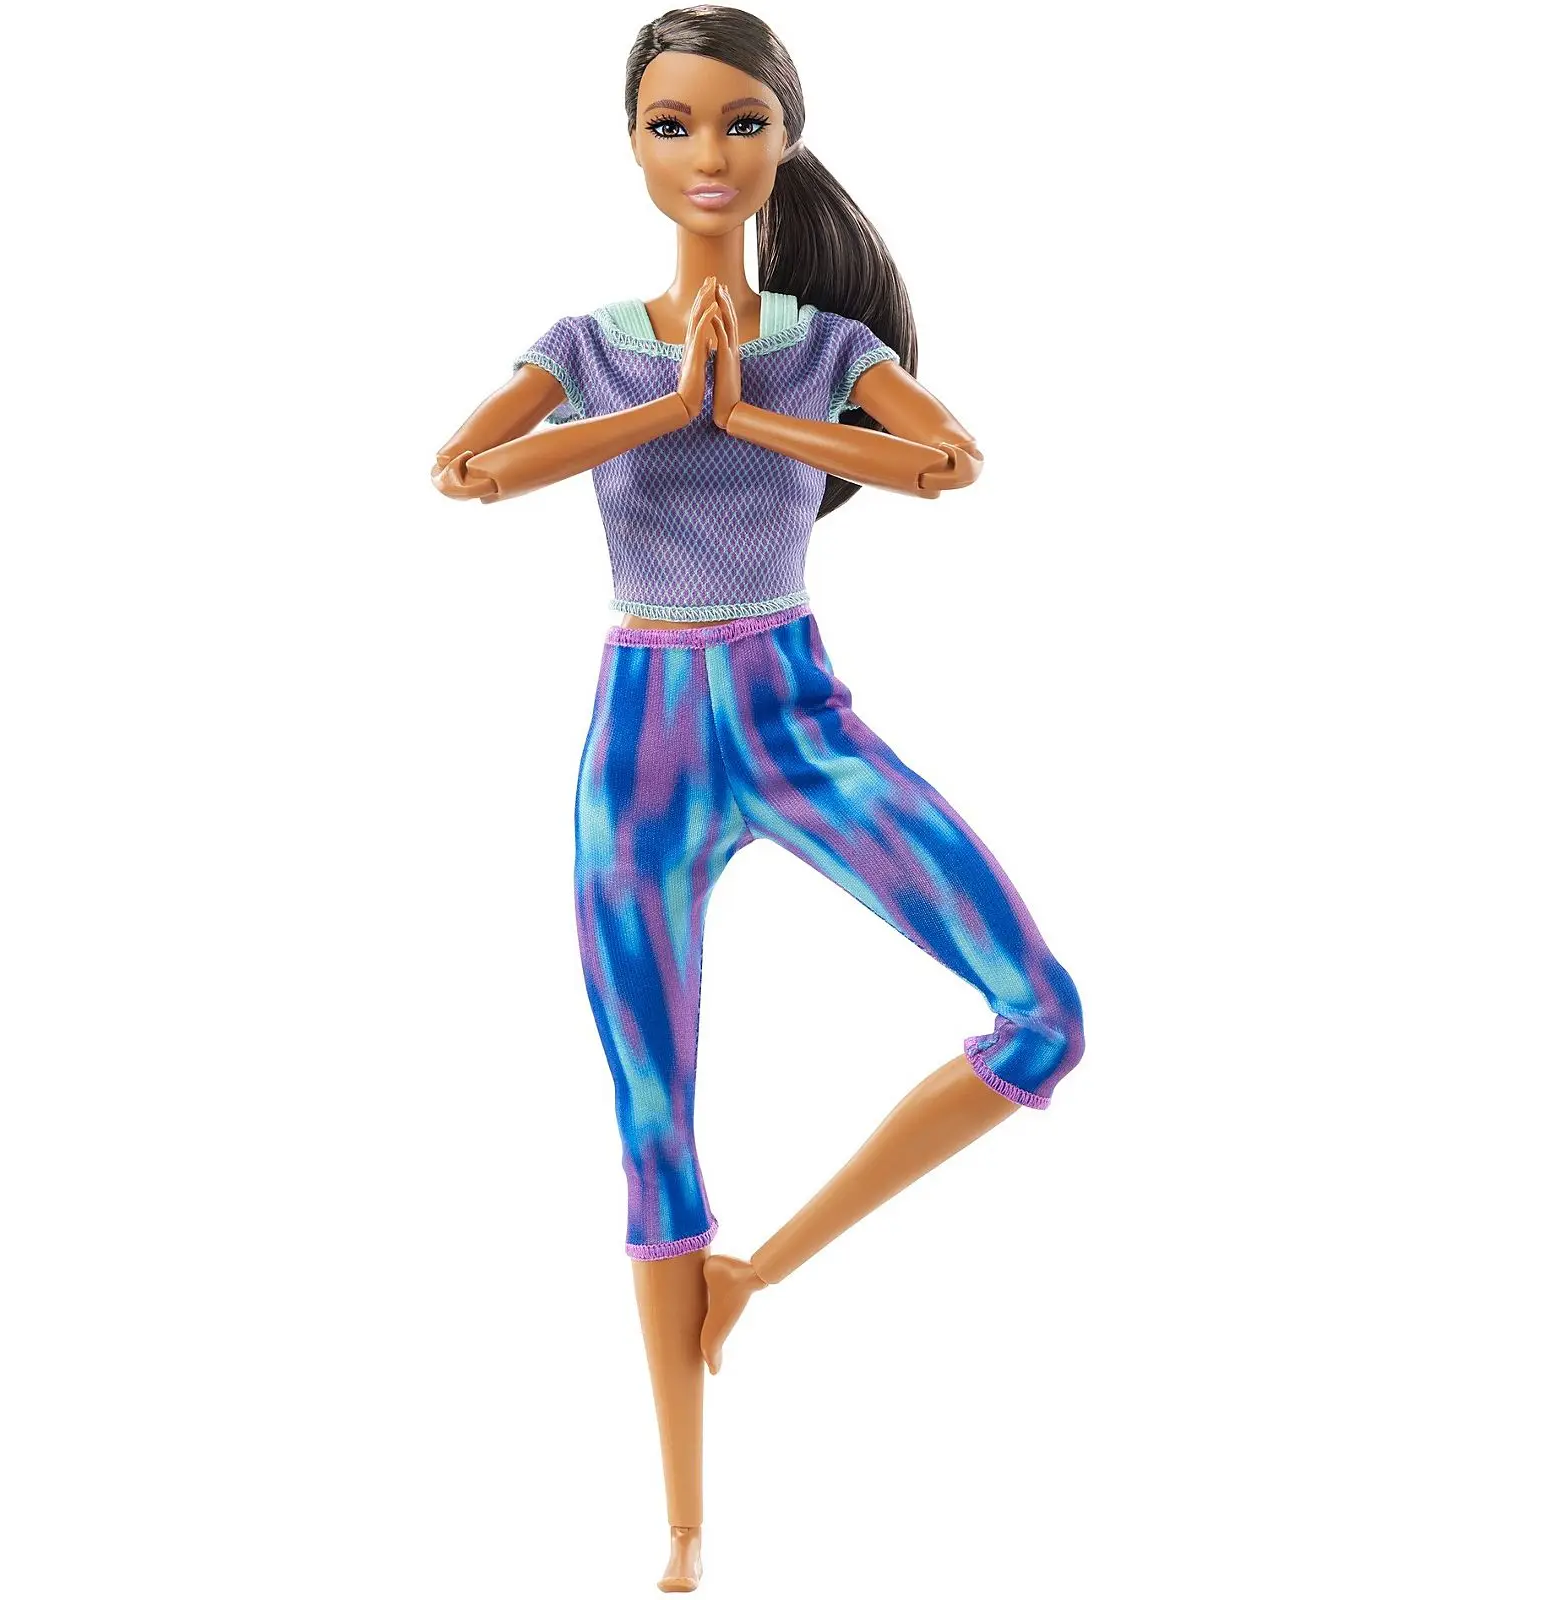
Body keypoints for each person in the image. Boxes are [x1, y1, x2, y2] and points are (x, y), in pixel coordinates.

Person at [432, 7, 1085, 1591]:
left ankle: (761, 1274)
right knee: (652, 1127)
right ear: (633, 144)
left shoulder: (828, 346)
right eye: (672, 124)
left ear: (785, 137)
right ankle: (682, 1538)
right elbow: (462, 471)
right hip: (643, 743)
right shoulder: (585, 344)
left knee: (1043, 1016)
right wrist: (668, 408)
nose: (707, 154)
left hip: (794, 711)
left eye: (739, 121)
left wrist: (749, 414)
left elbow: (950, 462)